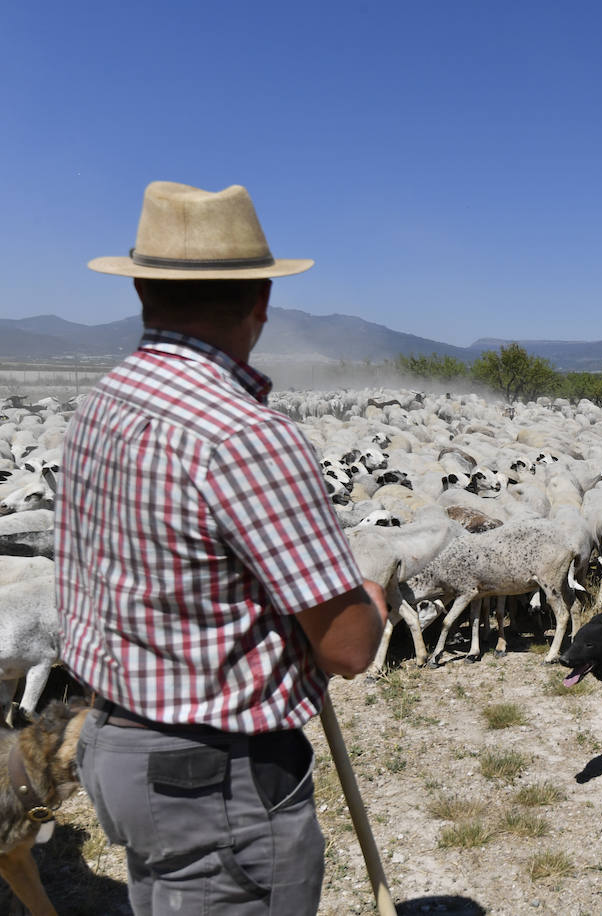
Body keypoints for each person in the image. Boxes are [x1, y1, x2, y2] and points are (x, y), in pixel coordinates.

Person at [56, 181, 387, 913]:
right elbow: (348, 647)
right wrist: (370, 598)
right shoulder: (244, 437)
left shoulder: (100, 405)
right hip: (215, 785)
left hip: (120, 753)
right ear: (261, 301)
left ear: (142, 290)